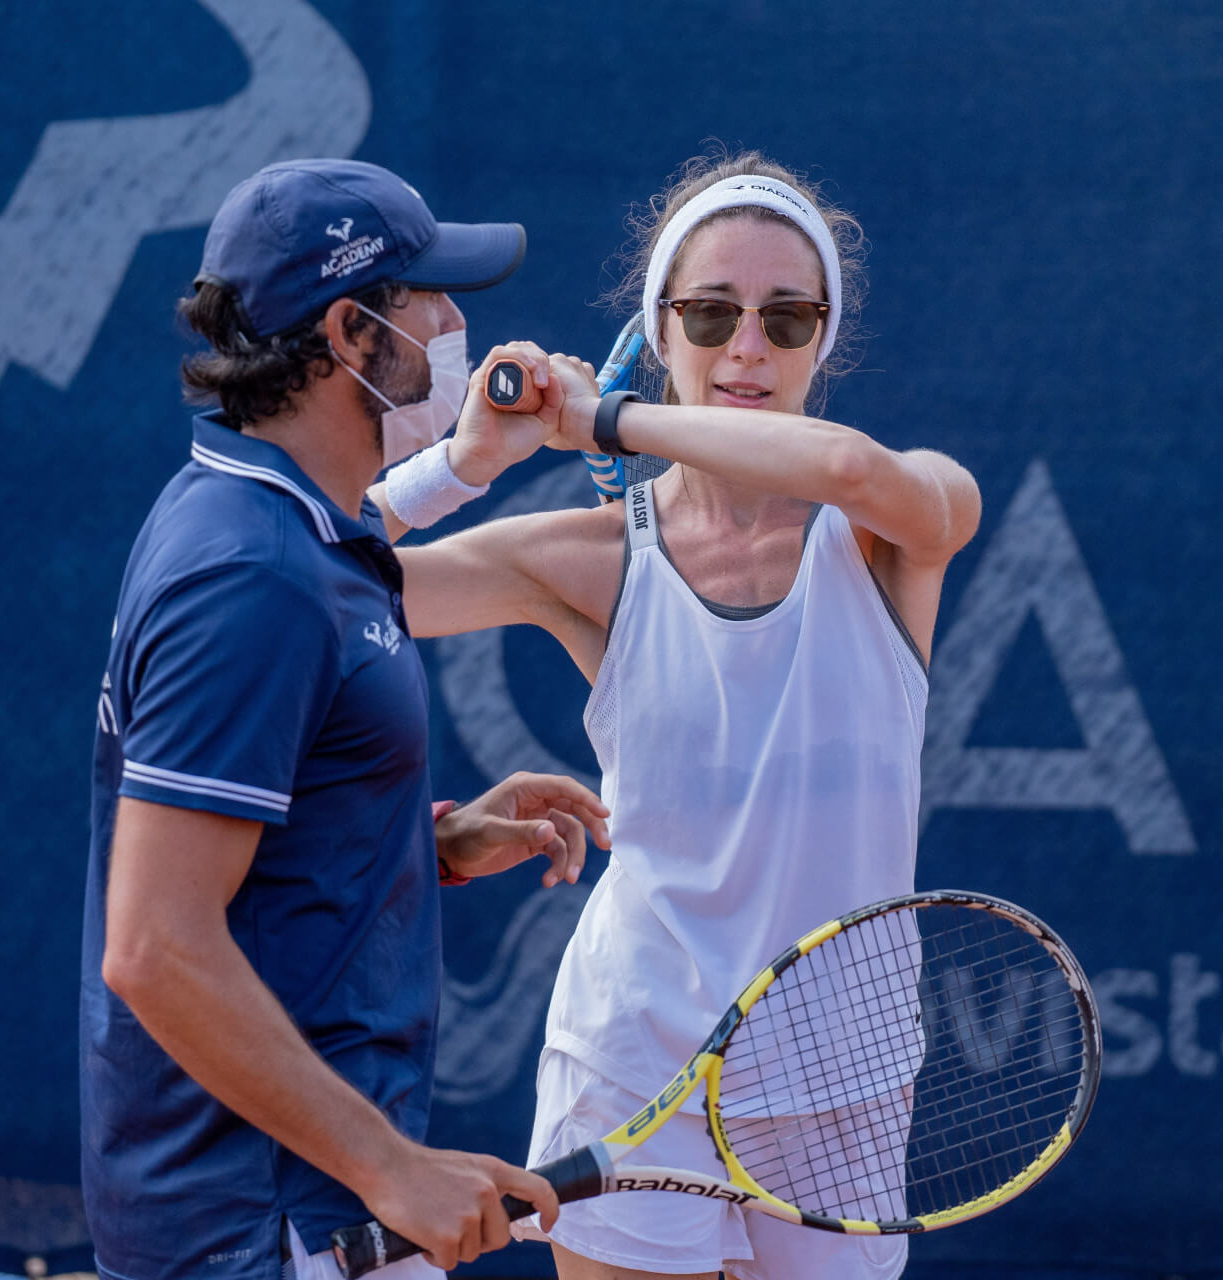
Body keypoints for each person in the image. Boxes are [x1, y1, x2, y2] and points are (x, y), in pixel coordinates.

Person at [393, 151, 983, 1280]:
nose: (747, 348)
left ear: (826, 337)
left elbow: (852, 466)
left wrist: (609, 422)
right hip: (634, 1061)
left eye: (787, 316)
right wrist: (457, 467)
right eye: (709, 314)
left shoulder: (905, 515)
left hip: (845, 1079)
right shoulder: (590, 558)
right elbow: (304, 584)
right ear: (659, 331)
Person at [82, 158, 609, 1280]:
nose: (457, 323)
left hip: (300, 1212)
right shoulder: (251, 575)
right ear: (352, 331)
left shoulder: (273, 525)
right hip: (265, 1227)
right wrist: (391, 1166)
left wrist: (424, 843)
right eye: (428, 297)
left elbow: (260, 856)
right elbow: (155, 943)